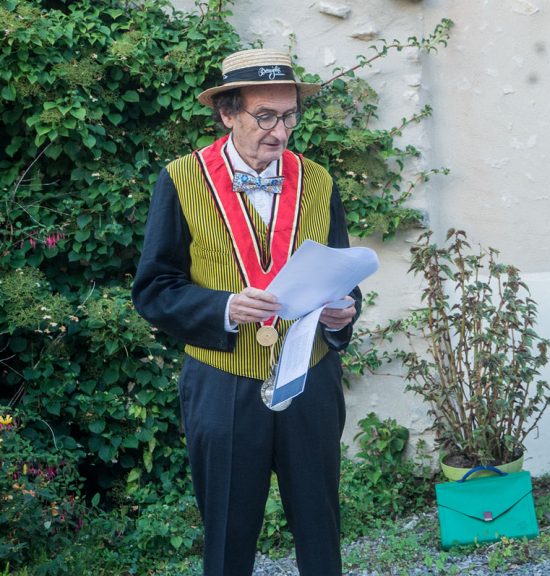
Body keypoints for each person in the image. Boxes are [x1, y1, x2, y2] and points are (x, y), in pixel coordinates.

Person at [132, 48, 360, 575]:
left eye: (289, 115)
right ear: (227, 113)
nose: (280, 132)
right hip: (221, 380)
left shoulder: (319, 180)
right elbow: (155, 289)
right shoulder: (180, 179)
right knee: (229, 533)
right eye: (265, 117)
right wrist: (225, 307)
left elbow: (342, 275)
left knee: (320, 526)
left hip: (310, 374)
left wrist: (344, 313)